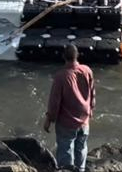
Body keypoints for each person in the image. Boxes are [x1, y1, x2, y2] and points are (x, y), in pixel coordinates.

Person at [43, 44, 95, 172]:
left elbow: (54, 102)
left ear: (63, 57)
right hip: (84, 119)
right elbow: (92, 93)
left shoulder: (61, 76)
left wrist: (49, 119)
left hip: (67, 122)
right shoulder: (87, 70)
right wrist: (91, 110)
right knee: (81, 149)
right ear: (77, 56)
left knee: (66, 151)